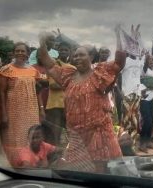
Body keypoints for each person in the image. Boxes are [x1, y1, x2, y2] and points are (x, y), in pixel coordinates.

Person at [37, 29, 126, 172]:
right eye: (76, 55)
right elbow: (49, 64)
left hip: (99, 134)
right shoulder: (68, 76)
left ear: (91, 57)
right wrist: (42, 42)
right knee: (78, 170)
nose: (77, 58)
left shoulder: (99, 73)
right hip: (77, 136)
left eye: (82, 55)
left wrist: (118, 35)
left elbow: (119, 63)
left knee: (101, 170)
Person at [0, 42, 44, 166]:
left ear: (28, 54)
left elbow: (38, 91)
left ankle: (29, 163)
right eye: (17, 51)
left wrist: (41, 109)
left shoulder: (33, 71)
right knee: (15, 137)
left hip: (31, 110)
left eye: (22, 51)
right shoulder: (6, 70)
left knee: (29, 136)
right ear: (13, 53)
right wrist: (3, 114)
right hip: (14, 110)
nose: (20, 53)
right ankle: (13, 166)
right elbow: (1, 93)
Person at [44, 42, 71, 146]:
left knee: (71, 135)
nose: (64, 52)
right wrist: (70, 84)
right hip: (55, 105)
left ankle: (66, 158)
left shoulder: (72, 67)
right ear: (58, 51)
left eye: (66, 50)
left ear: (70, 52)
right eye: (62, 50)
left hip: (68, 105)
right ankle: (52, 159)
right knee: (54, 135)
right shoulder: (54, 65)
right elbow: (53, 85)